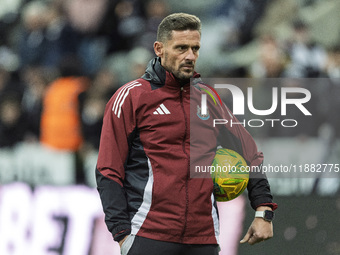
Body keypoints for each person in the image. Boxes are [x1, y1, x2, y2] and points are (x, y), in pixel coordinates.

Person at [96, 13, 277, 255]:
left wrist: (263, 209)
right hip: (149, 235)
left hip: (203, 239)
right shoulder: (131, 97)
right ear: (159, 48)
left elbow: (249, 152)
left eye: (195, 48)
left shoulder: (208, 98)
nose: (190, 56)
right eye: (181, 48)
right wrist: (122, 234)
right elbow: (108, 170)